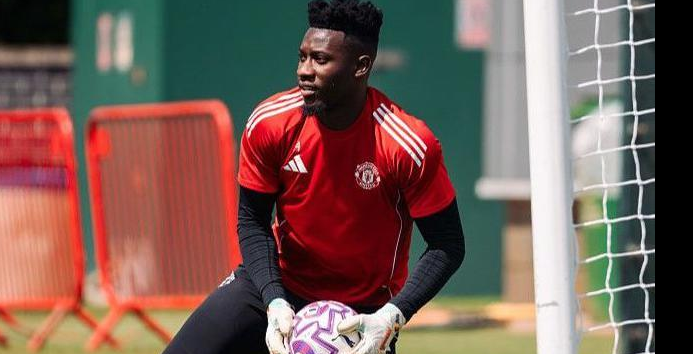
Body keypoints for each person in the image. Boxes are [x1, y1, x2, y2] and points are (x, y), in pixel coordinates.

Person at [163, 1, 465, 353]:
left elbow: (447, 244)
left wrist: (392, 315)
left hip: (363, 311)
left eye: (320, 60)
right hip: (276, 284)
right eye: (302, 57)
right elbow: (252, 220)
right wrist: (274, 300)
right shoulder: (270, 123)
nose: (304, 70)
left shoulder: (407, 144)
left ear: (361, 66)